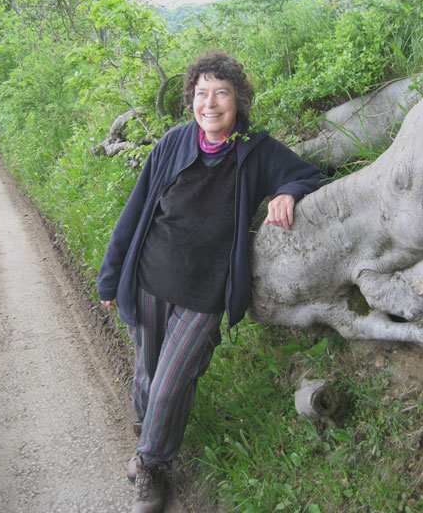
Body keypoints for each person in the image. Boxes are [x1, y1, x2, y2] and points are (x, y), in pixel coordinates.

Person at [97, 51, 324, 513]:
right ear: (191, 100)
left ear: (238, 99)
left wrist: (287, 192)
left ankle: (152, 466)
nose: (211, 103)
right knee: (147, 372)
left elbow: (310, 176)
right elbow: (135, 211)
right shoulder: (174, 143)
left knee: (171, 382)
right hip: (149, 278)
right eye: (202, 93)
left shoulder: (257, 150)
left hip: (204, 294)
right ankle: (148, 432)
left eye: (222, 93)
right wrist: (110, 277)